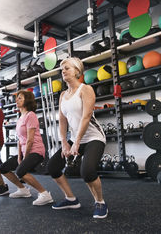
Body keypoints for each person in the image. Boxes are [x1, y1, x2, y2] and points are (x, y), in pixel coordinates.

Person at [47, 57, 108, 219]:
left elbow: (87, 116)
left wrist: (77, 141)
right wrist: (65, 142)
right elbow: (62, 120)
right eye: (62, 69)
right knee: (53, 165)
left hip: (94, 137)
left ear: (77, 71)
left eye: (67, 68)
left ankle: (100, 202)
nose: (64, 71)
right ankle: (71, 199)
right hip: (75, 139)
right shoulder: (63, 95)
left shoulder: (85, 89)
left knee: (87, 171)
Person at [0, 90, 53, 206]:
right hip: (25, 151)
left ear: (27, 101)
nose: (16, 100)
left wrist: (25, 157)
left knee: (20, 171)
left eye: (20, 98)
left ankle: (45, 194)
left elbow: (30, 139)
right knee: (3, 168)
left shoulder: (31, 115)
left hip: (36, 151)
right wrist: (19, 156)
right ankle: (23, 190)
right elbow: (20, 140)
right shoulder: (20, 118)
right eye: (17, 98)